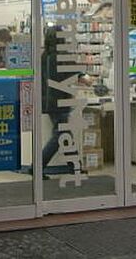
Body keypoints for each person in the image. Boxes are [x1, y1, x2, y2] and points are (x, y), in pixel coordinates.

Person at [40, 26, 92, 176]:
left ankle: (74, 167)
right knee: (60, 135)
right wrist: (87, 79)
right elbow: (78, 75)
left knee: (64, 133)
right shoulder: (62, 56)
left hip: (47, 100)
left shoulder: (44, 56)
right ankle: (37, 166)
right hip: (61, 100)